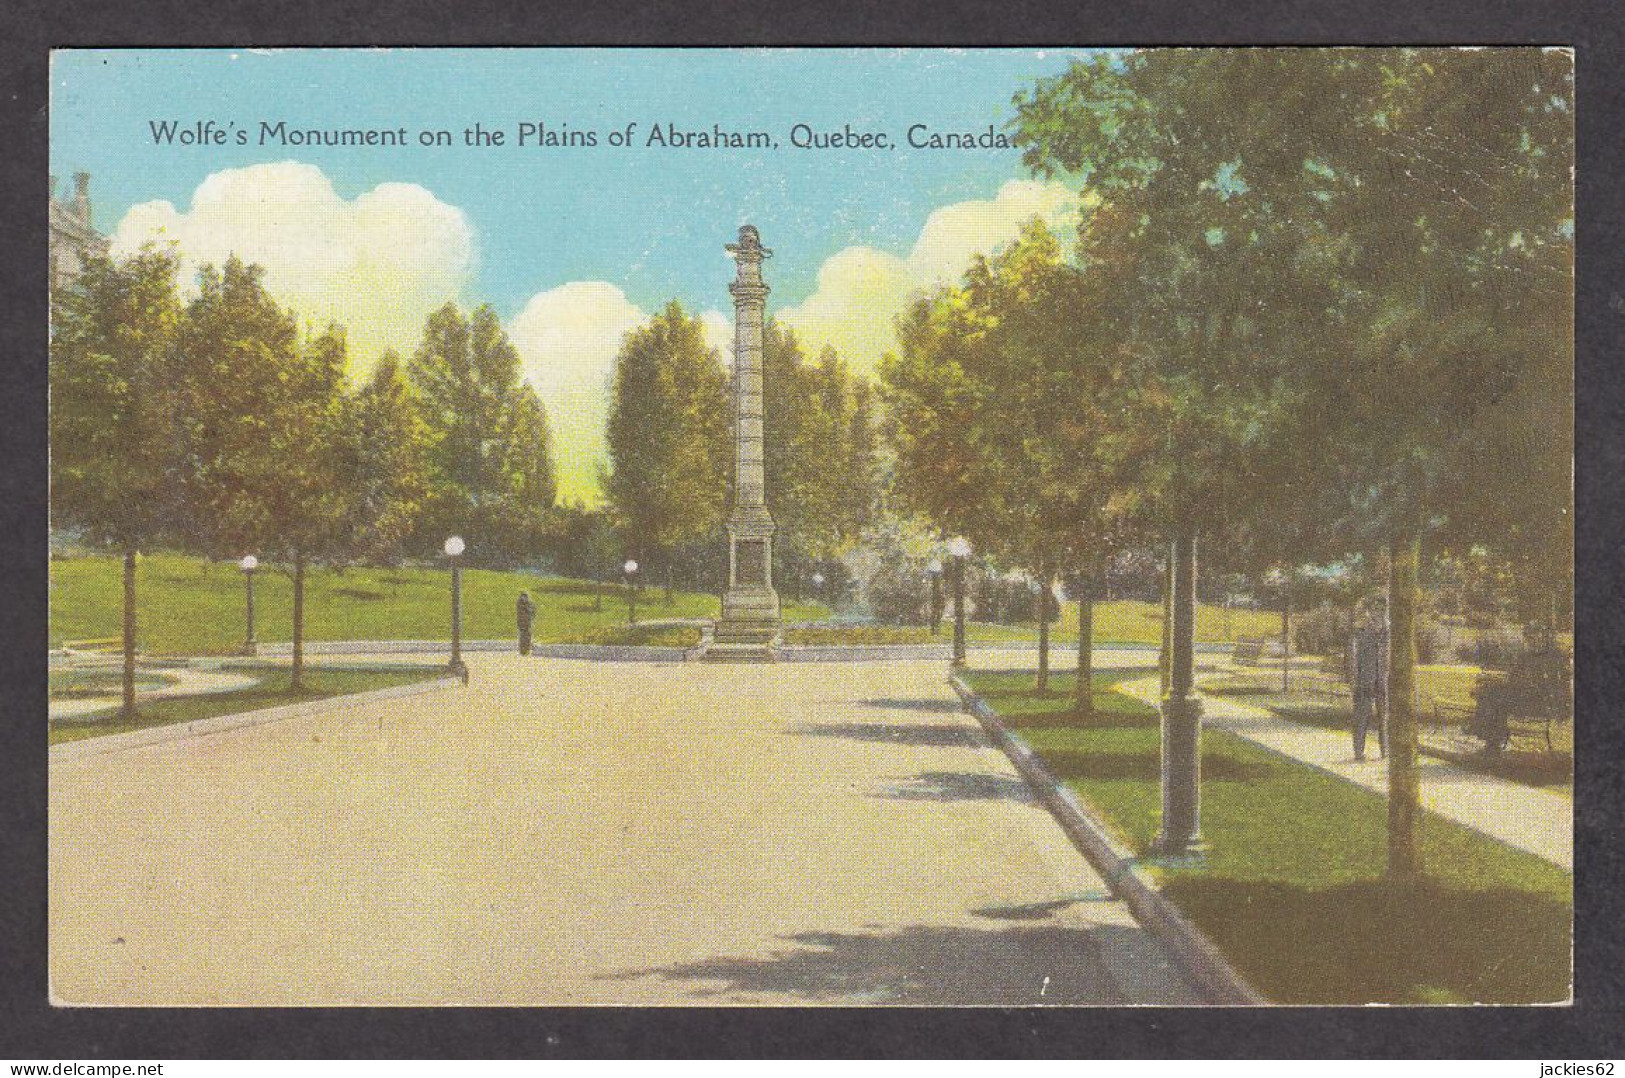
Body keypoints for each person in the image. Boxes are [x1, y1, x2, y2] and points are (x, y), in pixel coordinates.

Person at [1348, 605, 1389, 761]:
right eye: (1373, 618)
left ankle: (1385, 751)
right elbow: (1353, 659)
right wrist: (1354, 681)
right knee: (1361, 718)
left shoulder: (1387, 637)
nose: (1376, 621)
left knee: (1384, 718)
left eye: (1379, 618)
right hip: (1364, 682)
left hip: (1382, 682)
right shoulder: (1361, 636)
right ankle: (1358, 752)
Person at [516, 590, 535, 656]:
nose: (523, 598)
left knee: (527, 636)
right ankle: (523, 650)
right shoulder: (521, 604)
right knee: (523, 636)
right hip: (523, 623)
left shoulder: (529, 603)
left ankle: (526, 650)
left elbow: (532, 612)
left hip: (527, 623)